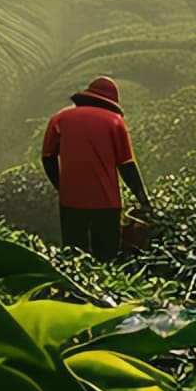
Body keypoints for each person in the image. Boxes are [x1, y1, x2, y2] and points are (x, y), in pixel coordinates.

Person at [41, 76, 154, 258]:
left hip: (71, 201)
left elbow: (48, 157)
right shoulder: (115, 122)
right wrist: (143, 200)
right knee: (106, 256)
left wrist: (62, 187)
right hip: (106, 203)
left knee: (73, 256)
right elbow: (127, 166)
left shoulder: (59, 119)